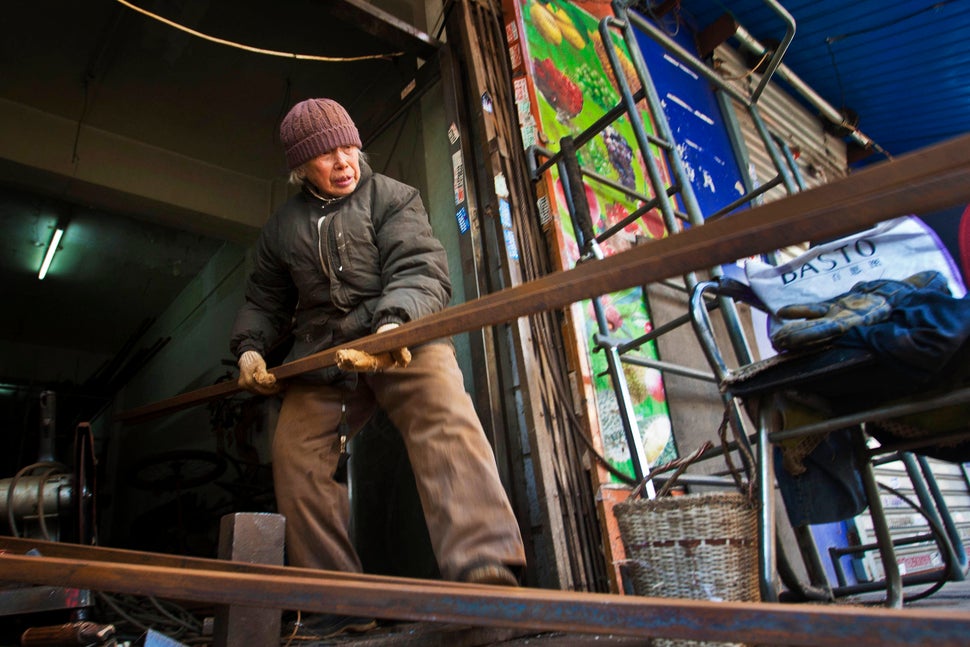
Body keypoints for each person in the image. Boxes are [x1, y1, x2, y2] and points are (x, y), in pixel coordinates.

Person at [229, 98, 526, 637]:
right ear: (301, 168)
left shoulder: (392, 196)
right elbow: (264, 302)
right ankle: (337, 598)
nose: (344, 162)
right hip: (325, 355)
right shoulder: (281, 229)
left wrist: (393, 329)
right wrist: (249, 349)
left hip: (398, 330)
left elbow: (420, 268)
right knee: (294, 453)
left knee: (442, 413)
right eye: (326, 155)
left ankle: (484, 571)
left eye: (349, 148)